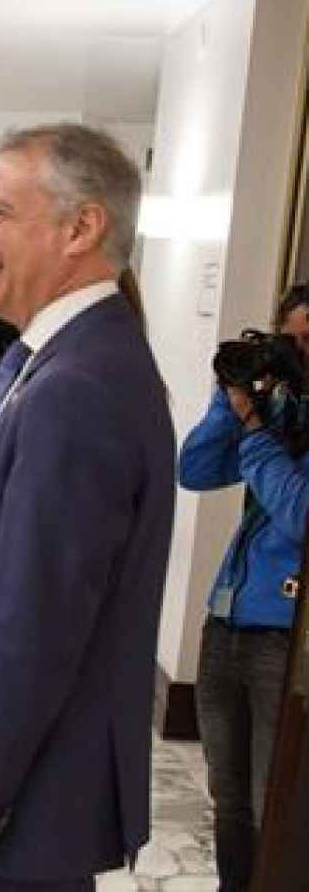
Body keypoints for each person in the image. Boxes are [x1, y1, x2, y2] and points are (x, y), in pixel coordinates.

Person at [0, 123, 175, 892]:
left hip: (12, 820)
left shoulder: (78, 388)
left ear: (82, 227)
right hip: (19, 806)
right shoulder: (54, 359)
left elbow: (32, 638)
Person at [178, 283, 309, 891]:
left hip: (287, 637)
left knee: (271, 805)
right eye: (293, 340)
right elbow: (196, 470)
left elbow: (300, 511)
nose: (300, 353)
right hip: (226, 620)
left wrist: (255, 429)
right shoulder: (279, 408)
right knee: (227, 799)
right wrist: (228, 399)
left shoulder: (276, 425)